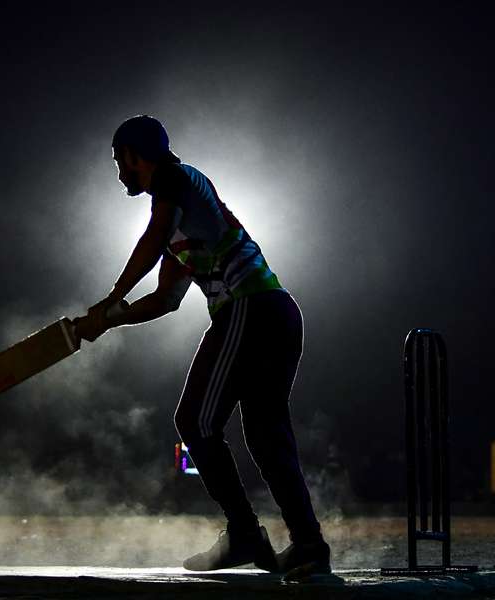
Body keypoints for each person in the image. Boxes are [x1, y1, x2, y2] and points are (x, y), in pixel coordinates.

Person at [73, 115, 331, 574]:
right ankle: (310, 547)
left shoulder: (173, 178)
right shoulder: (181, 224)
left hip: (249, 309)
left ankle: (246, 534)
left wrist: (112, 298)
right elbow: (166, 300)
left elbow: (152, 239)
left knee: (195, 420)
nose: (119, 173)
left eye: (120, 161)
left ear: (136, 154)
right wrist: (111, 321)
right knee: (266, 438)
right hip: (275, 314)